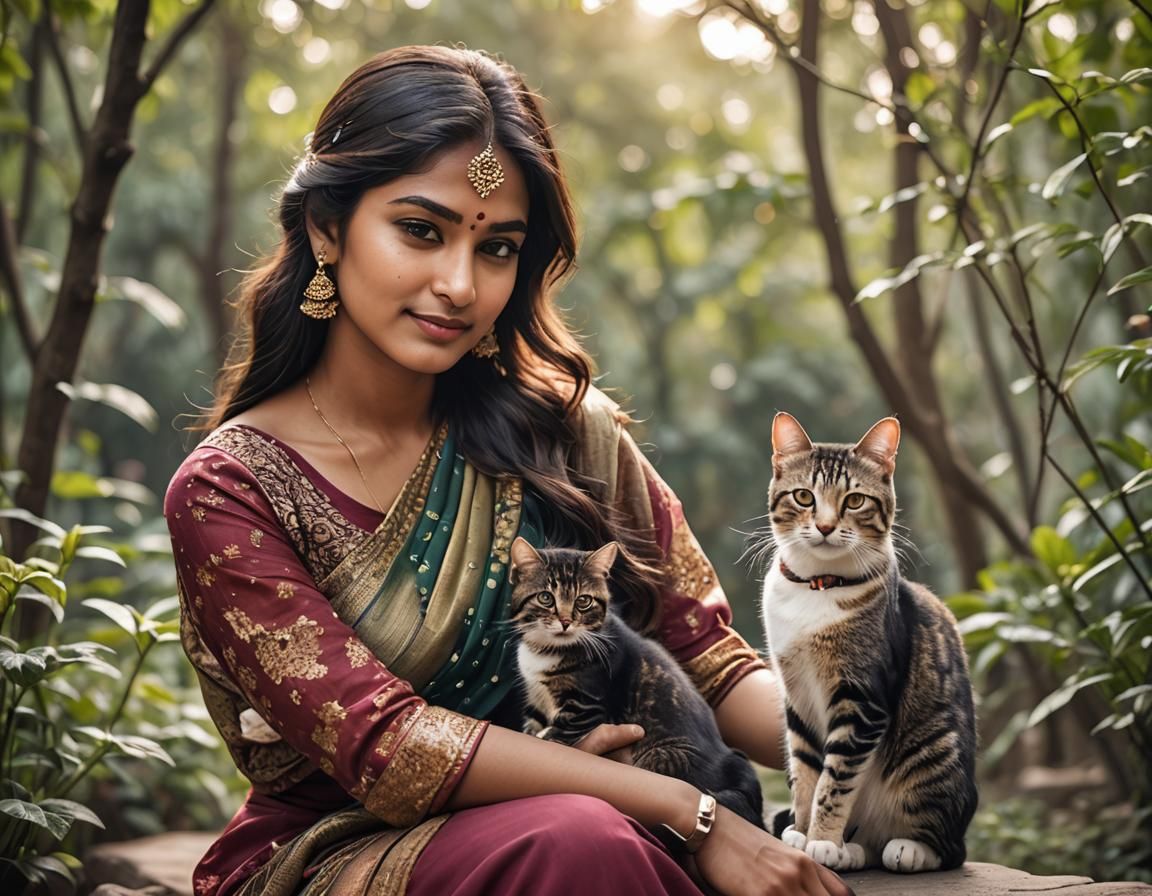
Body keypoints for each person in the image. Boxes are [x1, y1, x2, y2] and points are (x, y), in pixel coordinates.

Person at [165, 45, 852, 896]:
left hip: (604, 807)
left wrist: (862, 740)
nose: (459, 283)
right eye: (421, 230)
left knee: (595, 834)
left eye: (497, 248)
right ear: (326, 227)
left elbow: (701, 653)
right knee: (582, 842)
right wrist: (680, 808)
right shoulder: (233, 491)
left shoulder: (564, 434)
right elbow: (387, 747)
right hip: (343, 851)